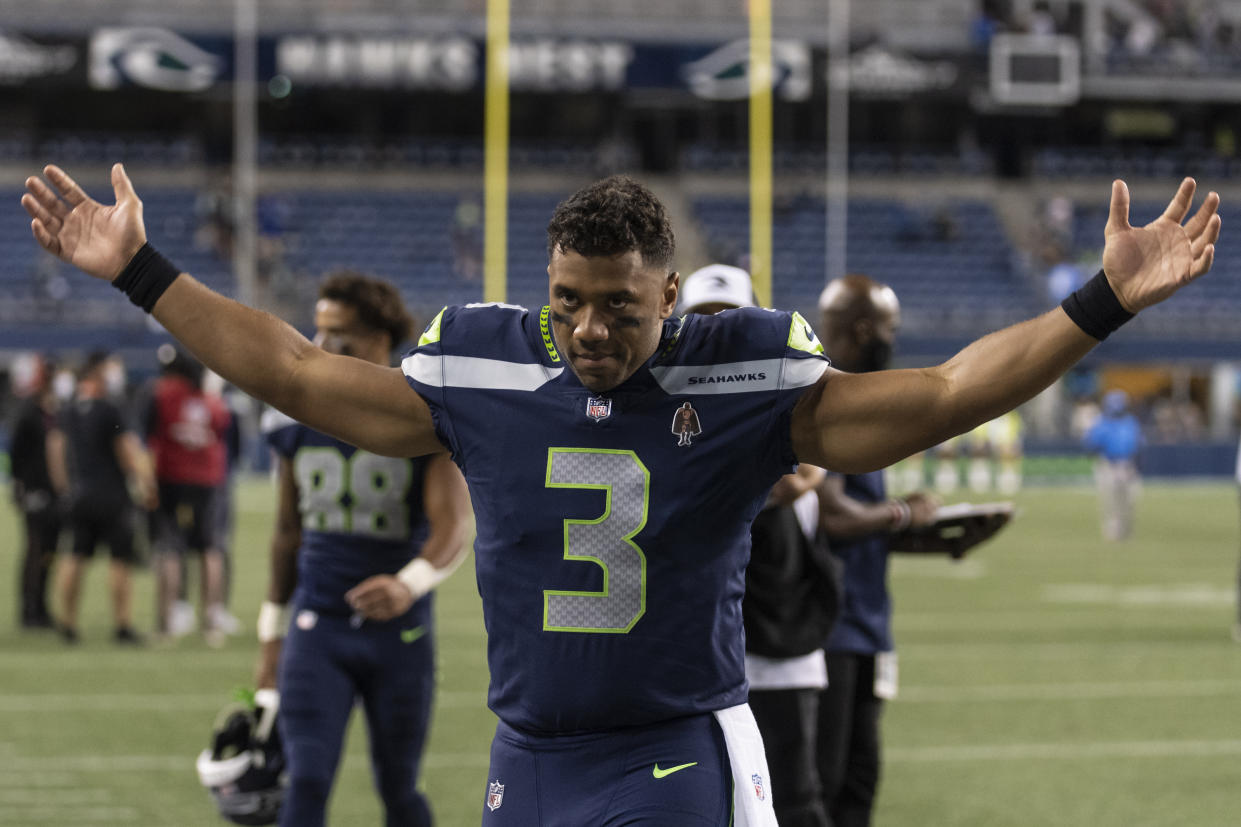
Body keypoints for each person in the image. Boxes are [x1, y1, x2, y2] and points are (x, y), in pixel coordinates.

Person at [21, 164, 1219, 824]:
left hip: (667, 754)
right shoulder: (483, 367)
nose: (589, 327)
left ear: (670, 302)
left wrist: (1100, 304)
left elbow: (946, 390)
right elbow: (288, 364)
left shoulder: (742, 374)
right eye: (568, 299)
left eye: (620, 305)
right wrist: (138, 267)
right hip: (524, 753)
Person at [253, 271, 472, 827]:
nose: (319, 348)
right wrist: (269, 639)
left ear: (379, 338)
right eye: (318, 332)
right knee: (303, 781)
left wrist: (408, 583)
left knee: (400, 789)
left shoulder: (420, 412)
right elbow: (287, 534)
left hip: (399, 633)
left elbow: (453, 526)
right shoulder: (296, 415)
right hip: (317, 624)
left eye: (339, 337)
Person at [682, 263, 839, 827]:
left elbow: (798, 480)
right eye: (702, 320)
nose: (715, 330)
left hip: (780, 638)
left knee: (796, 797)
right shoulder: (662, 401)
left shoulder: (786, 388)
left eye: (729, 318)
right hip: (694, 651)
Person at [813, 276, 941, 827]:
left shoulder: (857, 394)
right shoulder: (823, 397)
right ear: (864, 330)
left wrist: (934, 535)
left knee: (860, 780)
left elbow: (857, 515)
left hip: (863, 620)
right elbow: (831, 514)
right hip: (828, 625)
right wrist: (902, 514)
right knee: (828, 783)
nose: (893, 338)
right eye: (889, 328)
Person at [46, 351, 156, 644]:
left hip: (80, 494)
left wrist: (64, 488)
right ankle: (122, 625)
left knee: (74, 556)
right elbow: (127, 451)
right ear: (98, 373)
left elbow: (56, 448)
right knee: (120, 560)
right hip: (112, 495)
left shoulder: (69, 409)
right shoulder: (111, 409)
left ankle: (67, 624)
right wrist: (145, 483)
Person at [145, 345, 233, 645]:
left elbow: (150, 435)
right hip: (207, 479)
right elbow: (223, 432)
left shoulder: (162, 393)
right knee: (210, 549)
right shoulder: (211, 401)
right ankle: (212, 622)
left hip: (171, 478)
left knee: (169, 549)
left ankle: (167, 622)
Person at [8, 352, 60, 630]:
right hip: (34, 490)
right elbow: (17, 456)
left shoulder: (53, 412)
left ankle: (42, 606)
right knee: (35, 549)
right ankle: (29, 609)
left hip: (53, 492)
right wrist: (19, 489)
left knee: (49, 551)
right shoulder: (29, 413)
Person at [1083, 389, 1143, 541]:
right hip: (1109, 464)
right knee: (1110, 501)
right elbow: (1091, 444)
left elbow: (1139, 443)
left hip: (1127, 464)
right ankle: (1112, 532)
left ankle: (1126, 530)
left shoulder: (1130, 421)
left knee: (1129, 501)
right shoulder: (1102, 422)